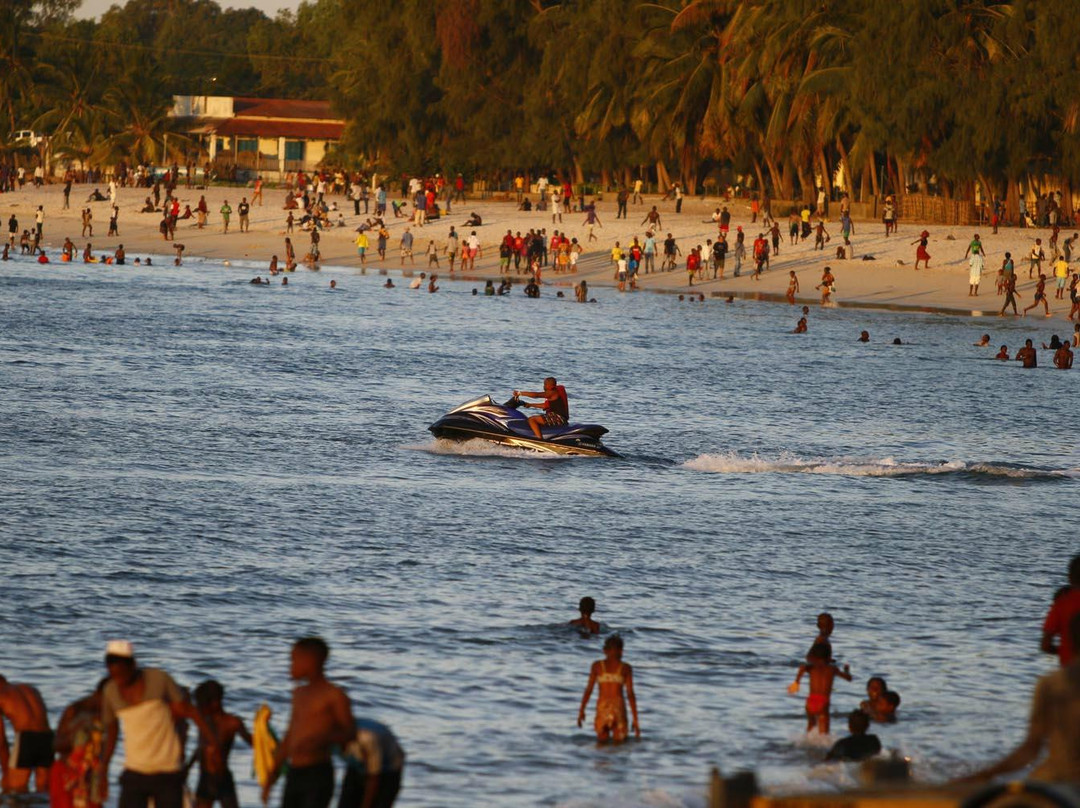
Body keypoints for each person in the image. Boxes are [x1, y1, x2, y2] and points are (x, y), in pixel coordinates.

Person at [962, 612, 1080, 783]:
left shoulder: (1052, 684)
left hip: (1059, 784)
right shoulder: (1052, 684)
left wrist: (983, 775)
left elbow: (1030, 750)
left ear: (1069, 642)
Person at [99, 640, 209, 808]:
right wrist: (103, 769)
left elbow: (188, 710)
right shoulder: (110, 691)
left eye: (121, 674)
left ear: (133, 665)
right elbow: (112, 732)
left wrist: (210, 740)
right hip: (135, 769)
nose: (119, 680)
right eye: (113, 674)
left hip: (167, 770)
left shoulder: (158, 679)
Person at [261, 638, 355, 808]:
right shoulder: (299, 694)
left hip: (318, 772)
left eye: (294, 660)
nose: (291, 665)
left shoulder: (334, 695)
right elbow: (290, 736)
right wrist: (271, 777)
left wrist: (323, 739)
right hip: (294, 772)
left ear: (310, 661)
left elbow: (350, 732)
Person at [188, 681, 252, 808]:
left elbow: (253, 742)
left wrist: (264, 731)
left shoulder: (232, 722)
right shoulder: (203, 721)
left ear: (215, 702)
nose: (199, 708)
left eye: (202, 705)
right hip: (205, 777)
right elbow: (200, 748)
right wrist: (187, 767)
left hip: (223, 778)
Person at [52, 680, 107, 808]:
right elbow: (56, 745)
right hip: (66, 774)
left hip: (91, 775)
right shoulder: (76, 710)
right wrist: (78, 740)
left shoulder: (106, 714)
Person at [577, 636, 640, 743]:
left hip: (603, 707)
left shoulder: (597, 666)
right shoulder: (625, 668)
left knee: (601, 743)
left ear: (605, 651)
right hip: (618, 708)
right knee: (619, 744)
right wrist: (635, 719)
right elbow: (630, 694)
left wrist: (582, 711)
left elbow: (589, 690)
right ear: (621, 651)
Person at [0, 674, 52, 793]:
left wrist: (6, 772)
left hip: (26, 739)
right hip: (48, 738)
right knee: (44, 792)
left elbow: (1, 741)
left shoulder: (1, 695)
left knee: (14, 791)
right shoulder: (31, 689)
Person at [338, 719, 405, 808]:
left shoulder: (366, 738)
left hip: (388, 769)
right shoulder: (326, 736)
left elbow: (374, 778)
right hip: (357, 764)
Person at [790, 642, 852, 734]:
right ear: (829, 657)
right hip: (823, 702)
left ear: (813, 656)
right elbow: (848, 678)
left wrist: (797, 682)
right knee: (824, 734)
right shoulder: (832, 669)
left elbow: (802, 667)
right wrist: (847, 670)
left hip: (810, 702)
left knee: (810, 727)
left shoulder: (811, 668)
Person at [1042, 556, 1080, 666]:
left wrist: (1064, 651)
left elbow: (1045, 645)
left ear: (1069, 577)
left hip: (1069, 672)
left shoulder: (1062, 602)